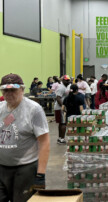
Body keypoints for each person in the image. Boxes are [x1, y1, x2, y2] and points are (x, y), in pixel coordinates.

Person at [0, 73, 50, 201]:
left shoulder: (34, 110)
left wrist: (41, 174)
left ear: (22, 89)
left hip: (25, 168)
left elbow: (44, 142)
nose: (9, 93)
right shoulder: (0, 108)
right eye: (5, 90)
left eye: (13, 90)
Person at [54, 75, 71, 144]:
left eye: (68, 80)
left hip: (60, 107)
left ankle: (60, 138)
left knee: (61, 123)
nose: (68, 81)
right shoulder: (61, 88)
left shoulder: (64, 87)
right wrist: (63, 107)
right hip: (60, 108)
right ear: (63, 80)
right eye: (66, 80)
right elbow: (58, 98)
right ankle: (62, 139)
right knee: (63, 123)